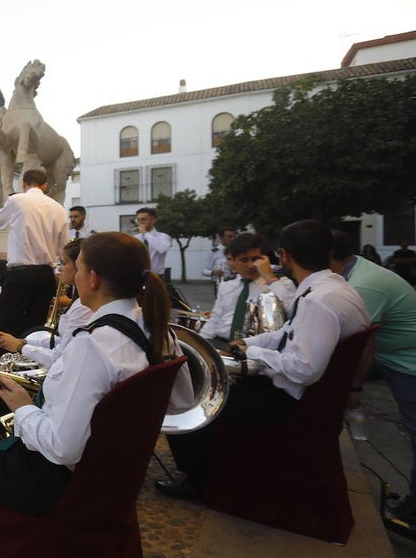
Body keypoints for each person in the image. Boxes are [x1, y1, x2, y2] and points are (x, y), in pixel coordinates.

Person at [0, 232, 191, 558]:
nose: (71, 274)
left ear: (93, 279)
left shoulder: (94, 344)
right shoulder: (161, 331)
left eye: (78, 266)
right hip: (108, 471)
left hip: (60, 479)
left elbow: (62, 448)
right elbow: (180, 402)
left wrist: (24, 406)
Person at [157, 220, 370, 500]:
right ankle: (207, 470)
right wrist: (250, 343)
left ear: (284, 256)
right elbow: (289, 332)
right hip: (310, 396)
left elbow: (304, 369)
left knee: (191, 395)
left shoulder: (318, 300)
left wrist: (254, 354)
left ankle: (198, 479)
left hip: (293, 402)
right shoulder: (336, 290)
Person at [331, 231, 416, 521]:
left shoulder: (364, 285)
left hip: (408, 361)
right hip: (390, 354)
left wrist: (354, 389)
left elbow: (362, 344)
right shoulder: (350, 274)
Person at [0, 239, 92, 422]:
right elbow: (61, 341)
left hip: (57, 389)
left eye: (64, 263)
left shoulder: (84, 309)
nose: (59, 269)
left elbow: (60, 358)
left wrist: (20, 347)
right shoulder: (81, 305)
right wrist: (23, 342)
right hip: (58, 377)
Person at [0, 168, 68, 337]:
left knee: (5, 326)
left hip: (20, 274)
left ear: (23, 184)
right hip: (46, 275)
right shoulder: (59, 208)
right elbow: (64, 249)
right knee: (36, 329)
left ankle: (5, 362)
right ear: (45, 185)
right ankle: (30, 361)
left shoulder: (17, 200)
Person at [198, 233, 294, 342]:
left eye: (255, 259)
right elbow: (215, 319)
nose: (251, 265)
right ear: (233, 261)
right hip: (222, 342)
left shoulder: (281, 284)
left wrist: (270, 277)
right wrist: (200, 343)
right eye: (244, 260)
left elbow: (294, 312)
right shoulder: (227, 284)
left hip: (257, 348)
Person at [134, 207, 172, 278]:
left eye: (144, 219)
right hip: (138, 275)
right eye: (138, 220)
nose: (141, 222)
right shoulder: (136, 238)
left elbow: (162, 249)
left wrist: (145, 233)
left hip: (156, 276)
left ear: (153, 220)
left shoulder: (163, 236)